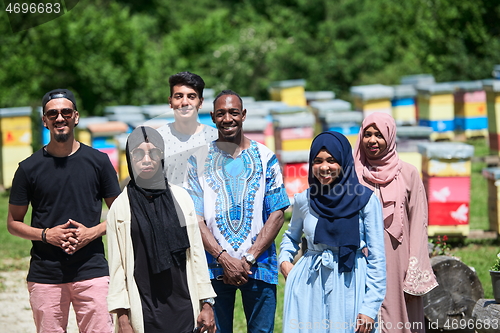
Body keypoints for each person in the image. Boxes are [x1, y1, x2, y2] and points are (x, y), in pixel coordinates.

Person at [7, 88, 121, 333]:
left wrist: (92, 233)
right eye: (53, 113)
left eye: (66, 112)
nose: (60, 118)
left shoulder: (99, 162)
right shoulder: (28, 169)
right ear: (44, 120)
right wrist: (47, 235)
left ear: (76, 117)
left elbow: (122, 213)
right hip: (45, 273)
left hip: (92, 271)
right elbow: (13, 223)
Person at [186, 90, 290, 333]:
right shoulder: (197, 161)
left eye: (233, 112)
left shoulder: (266, 158)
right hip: (213, 269)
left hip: (259, 266)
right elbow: (195, 218)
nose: (227, 119)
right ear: (212, 117)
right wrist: (223, 258)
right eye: (221, 113)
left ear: (243, 115)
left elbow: (277, 213)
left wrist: (249, 257)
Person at [107, 126, 216, 333]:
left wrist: (207, 303)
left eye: (153, 152)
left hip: (184, 307)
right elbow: (117, 267)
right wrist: (122, 318)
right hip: (145, 312)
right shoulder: (120, 208)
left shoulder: (182, 199)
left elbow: (196, 255)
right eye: (138, 153)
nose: (146, 159)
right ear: (130, 159)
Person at [279, 131, 386, 333]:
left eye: (331, 160)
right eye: (317, 161)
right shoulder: (305, 199)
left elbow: (378, 259)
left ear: (344, 162)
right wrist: (285, 262)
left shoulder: (365, 201)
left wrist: (370, 307)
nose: (324, 167)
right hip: (310, 285)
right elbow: (290, 237)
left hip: (351, 283)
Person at [354, 113, 438, 333]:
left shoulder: (408, 174)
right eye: (367, 134)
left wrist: (415, 271)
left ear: (390, 137)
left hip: (398, 262)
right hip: (362, 262)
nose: (372, 140)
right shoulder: (352, 174)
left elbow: (419, 224)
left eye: (379, 135)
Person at [156, 71, 218, 186]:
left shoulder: (215, 139)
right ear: (170, 102)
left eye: (191, 96)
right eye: (179, 96)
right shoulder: (157, 139)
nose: (185, 102)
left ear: (201, 102)